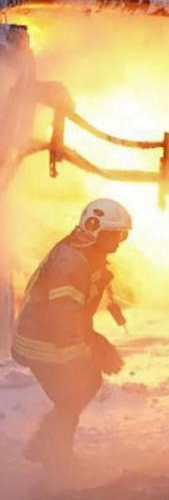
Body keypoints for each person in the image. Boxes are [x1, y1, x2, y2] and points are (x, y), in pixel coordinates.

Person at [13, 198, 130, 467]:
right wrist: (89, 350)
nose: (120, 241)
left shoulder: (84, 251)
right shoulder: (72, 262)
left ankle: (52, 452)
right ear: (97, 230)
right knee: (78, 390)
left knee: (76, 394)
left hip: (47, 338)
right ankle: (51, 455)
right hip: (42, 343)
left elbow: (75, 312)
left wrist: (93, 342)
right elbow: (64, 316)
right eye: (117, 234)